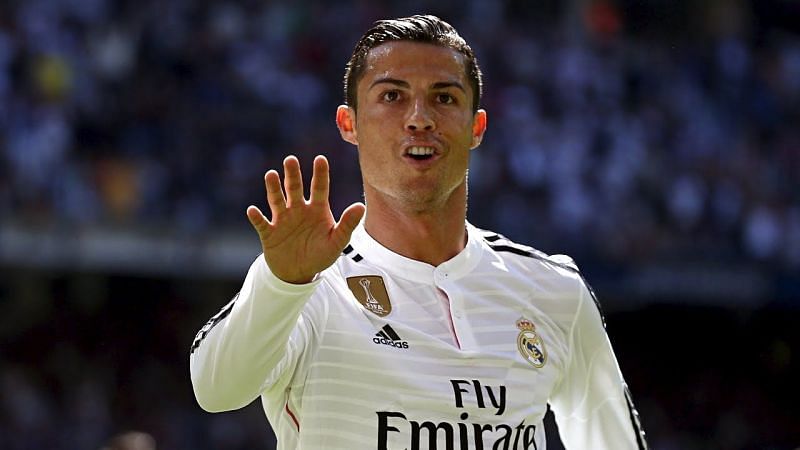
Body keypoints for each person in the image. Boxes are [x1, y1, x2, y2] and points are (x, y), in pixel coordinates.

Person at [190, 14, 648, 450]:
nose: (419, 118)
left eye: (444, 98)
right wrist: (280, 283)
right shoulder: (309, 283)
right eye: (392, 96)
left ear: (477, 127)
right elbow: (217, 389)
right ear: (349, 124)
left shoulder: (554, 291)